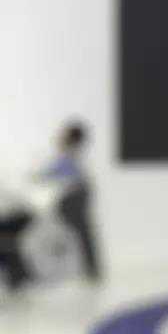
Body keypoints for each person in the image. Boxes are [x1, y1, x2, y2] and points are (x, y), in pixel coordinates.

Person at [39, 121, 102, 282]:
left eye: (64, 133)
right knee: (82, 232)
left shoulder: (70, 154)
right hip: (77, 194)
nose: (60, 136)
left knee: (80, 231)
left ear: (71, 137)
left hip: (76, 195)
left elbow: (59, 170)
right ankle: (90, 270)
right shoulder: (71, 153)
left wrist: (41, 175)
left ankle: (91, 270)